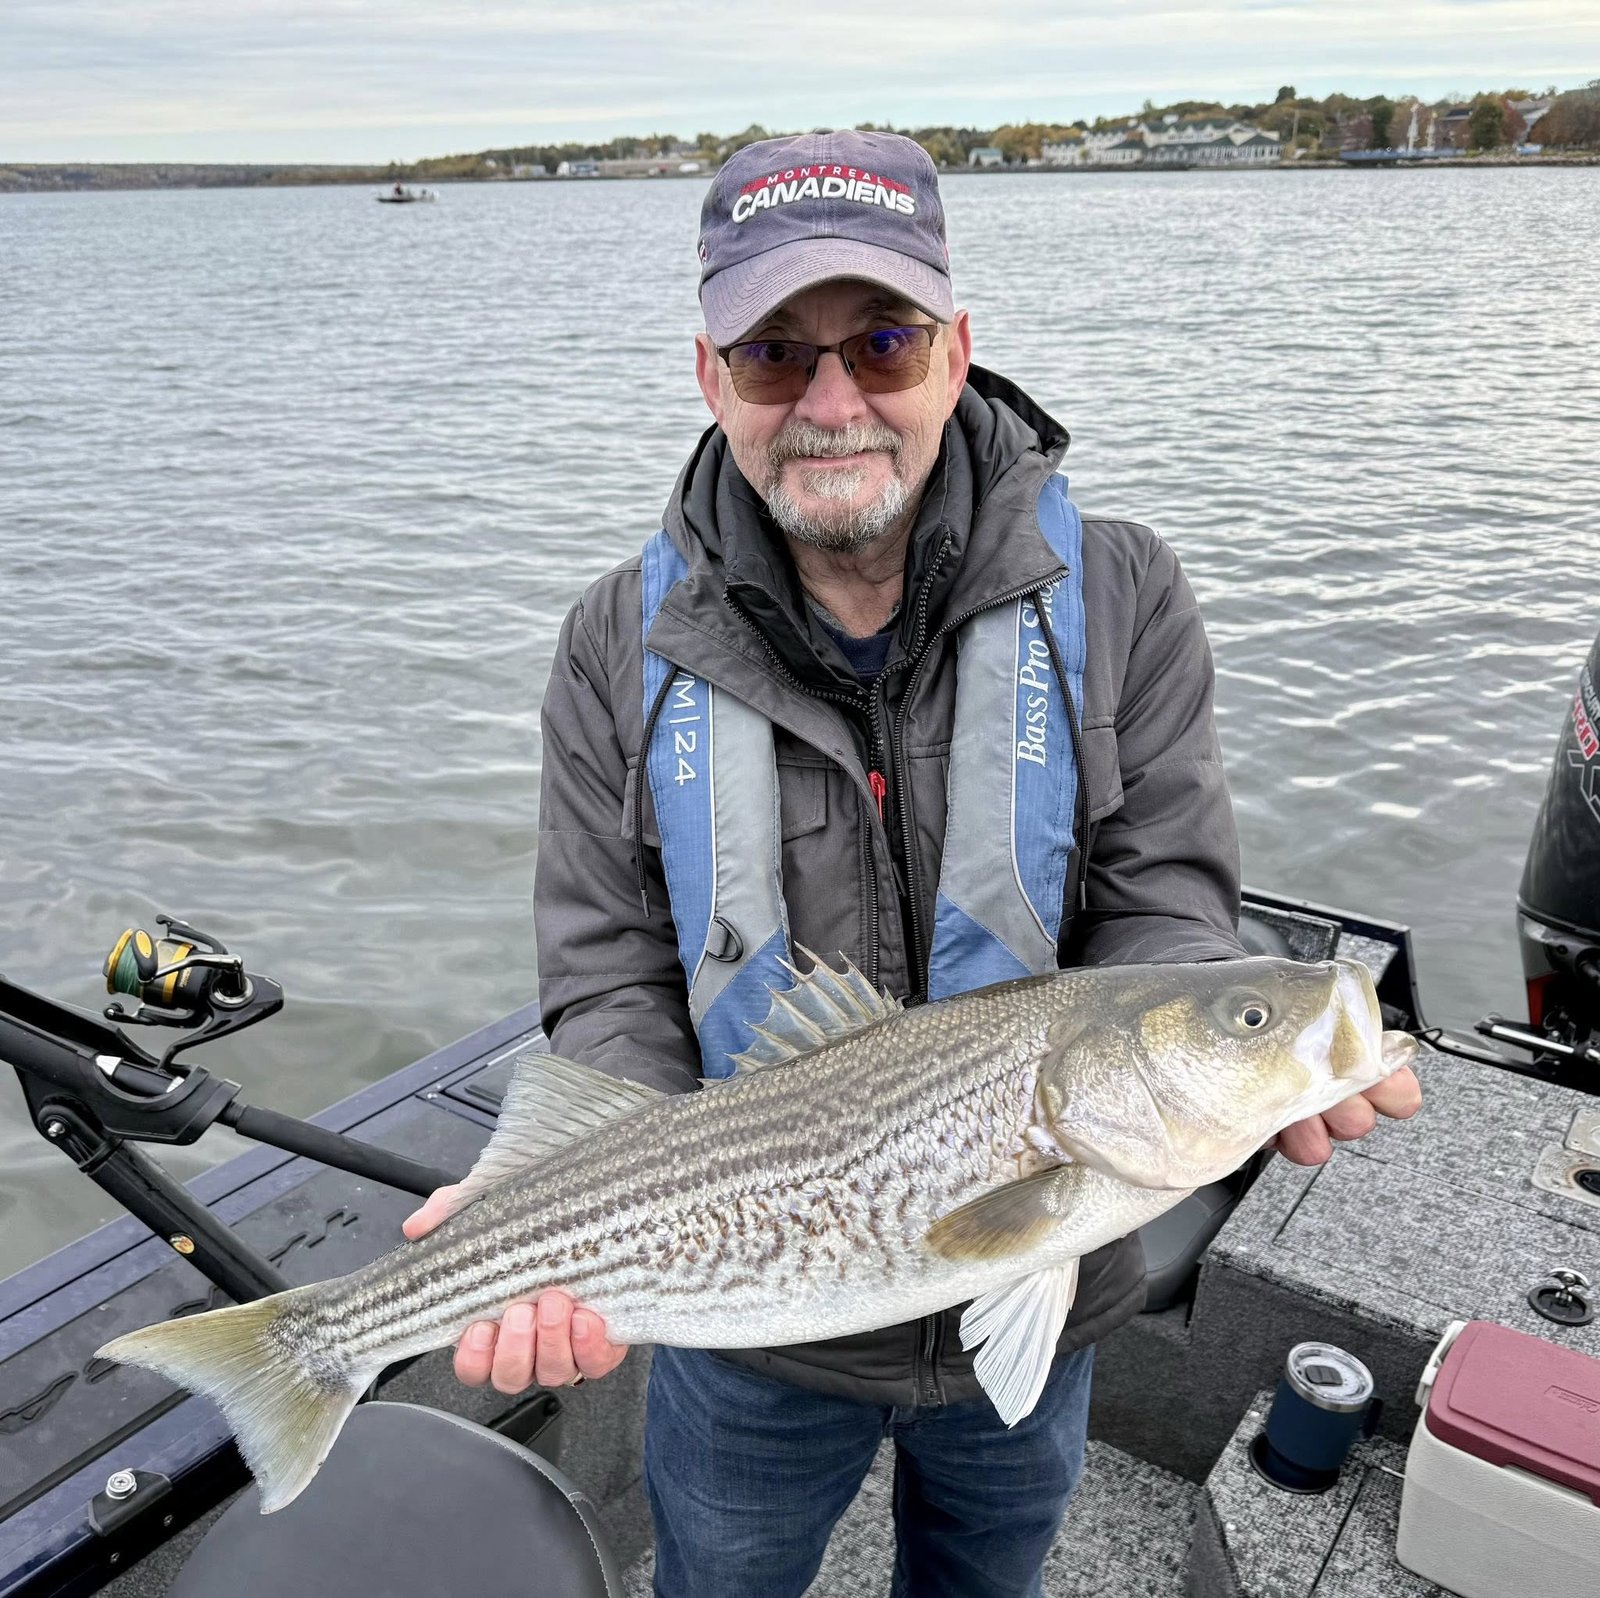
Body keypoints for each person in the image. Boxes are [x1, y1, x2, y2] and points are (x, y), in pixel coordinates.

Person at [405, 129, 1422, 1597]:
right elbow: (610, 970)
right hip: (749, 1313)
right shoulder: (608, 645)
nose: (832, 403)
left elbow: (1166, 910)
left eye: (880, 343)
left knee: (985, 1571)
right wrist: (568, 1207)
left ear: (958, 350)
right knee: (722, 1576)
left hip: (1062, 1272)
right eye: (774, 356)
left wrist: (1247, 1051)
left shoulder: (1123, 589)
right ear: (711, 378)